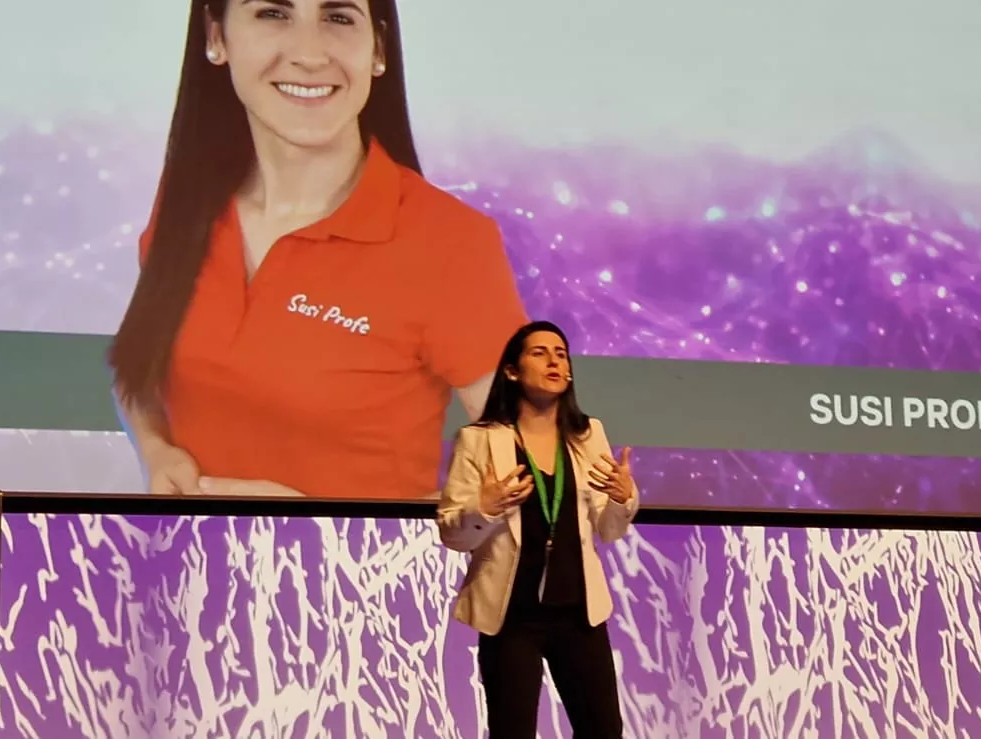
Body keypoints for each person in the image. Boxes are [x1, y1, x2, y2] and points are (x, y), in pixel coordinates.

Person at [108, 0, 528, 499]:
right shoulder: (186, 206)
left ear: (378, 49)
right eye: (273, 13)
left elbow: (543, 482)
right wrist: (157, 451)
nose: (309, 54)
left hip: (361, 556)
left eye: (338, 17)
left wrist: (319, 528)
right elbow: (138, 370)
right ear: (216, 37)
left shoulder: (449, 242)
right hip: (180, 552)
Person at [436, 321, 639, 739]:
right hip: (511, 617)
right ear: (512, 371)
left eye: (561, 354)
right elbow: (453, 535)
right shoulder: (479, 441)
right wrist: (484, 508)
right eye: (540, 353)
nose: (554, 361)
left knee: (603, 730)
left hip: (579, 615)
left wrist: (623, 499)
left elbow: (608, 528)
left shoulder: (588, 435)